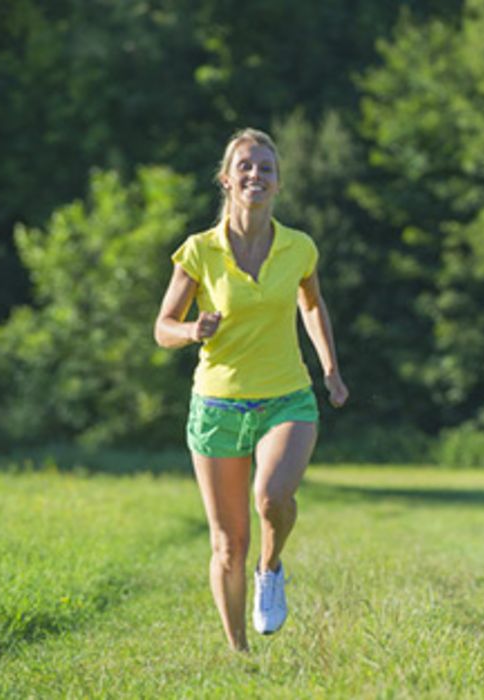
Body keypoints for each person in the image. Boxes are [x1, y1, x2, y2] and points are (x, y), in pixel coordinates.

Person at [154, 127, 349, 652]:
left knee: (272, 497)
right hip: (217, 404)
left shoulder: (298, 248)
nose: (255, 175)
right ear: (226, 179)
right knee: (226, 543)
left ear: (278, 183)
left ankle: (272, 566)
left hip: (287, 396)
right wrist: (192, 330)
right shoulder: (199, 251)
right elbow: (162, 326)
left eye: (266, 168)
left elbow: (311, 305)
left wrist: (329, 369)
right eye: (245, 166)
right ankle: (239, 653)